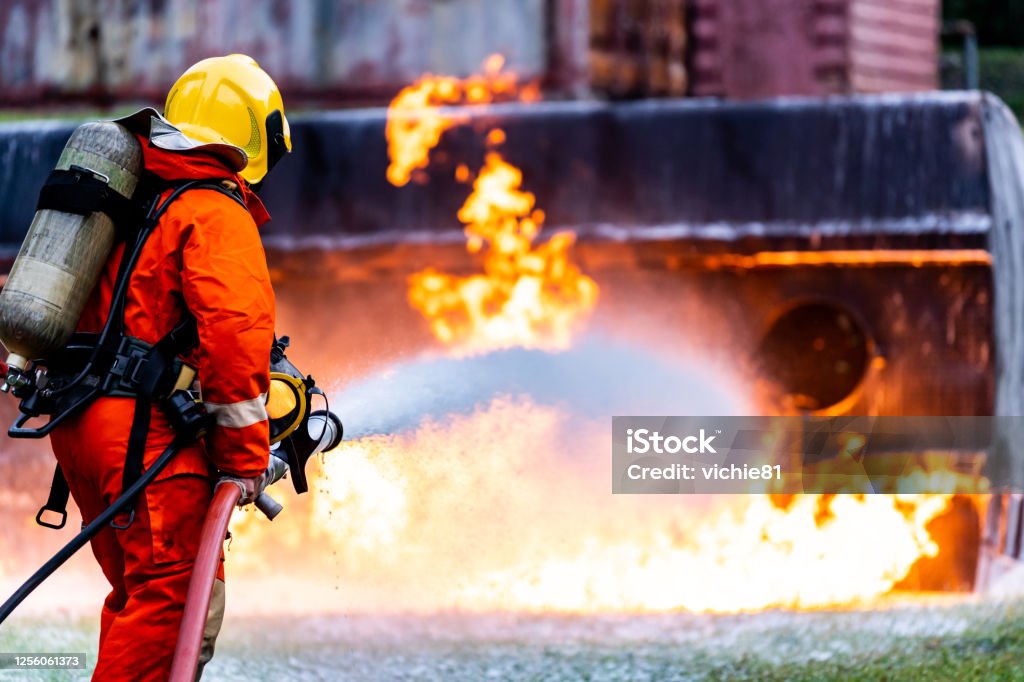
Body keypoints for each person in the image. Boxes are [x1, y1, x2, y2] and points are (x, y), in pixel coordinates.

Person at [47, 54, 290, 680]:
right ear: (254, 136)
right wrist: (243, 458)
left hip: (82, 424)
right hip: (144, 435)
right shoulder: (212, 211)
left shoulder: (131, 199)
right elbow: (234, 337)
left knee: (141, 596)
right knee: (171, 604)